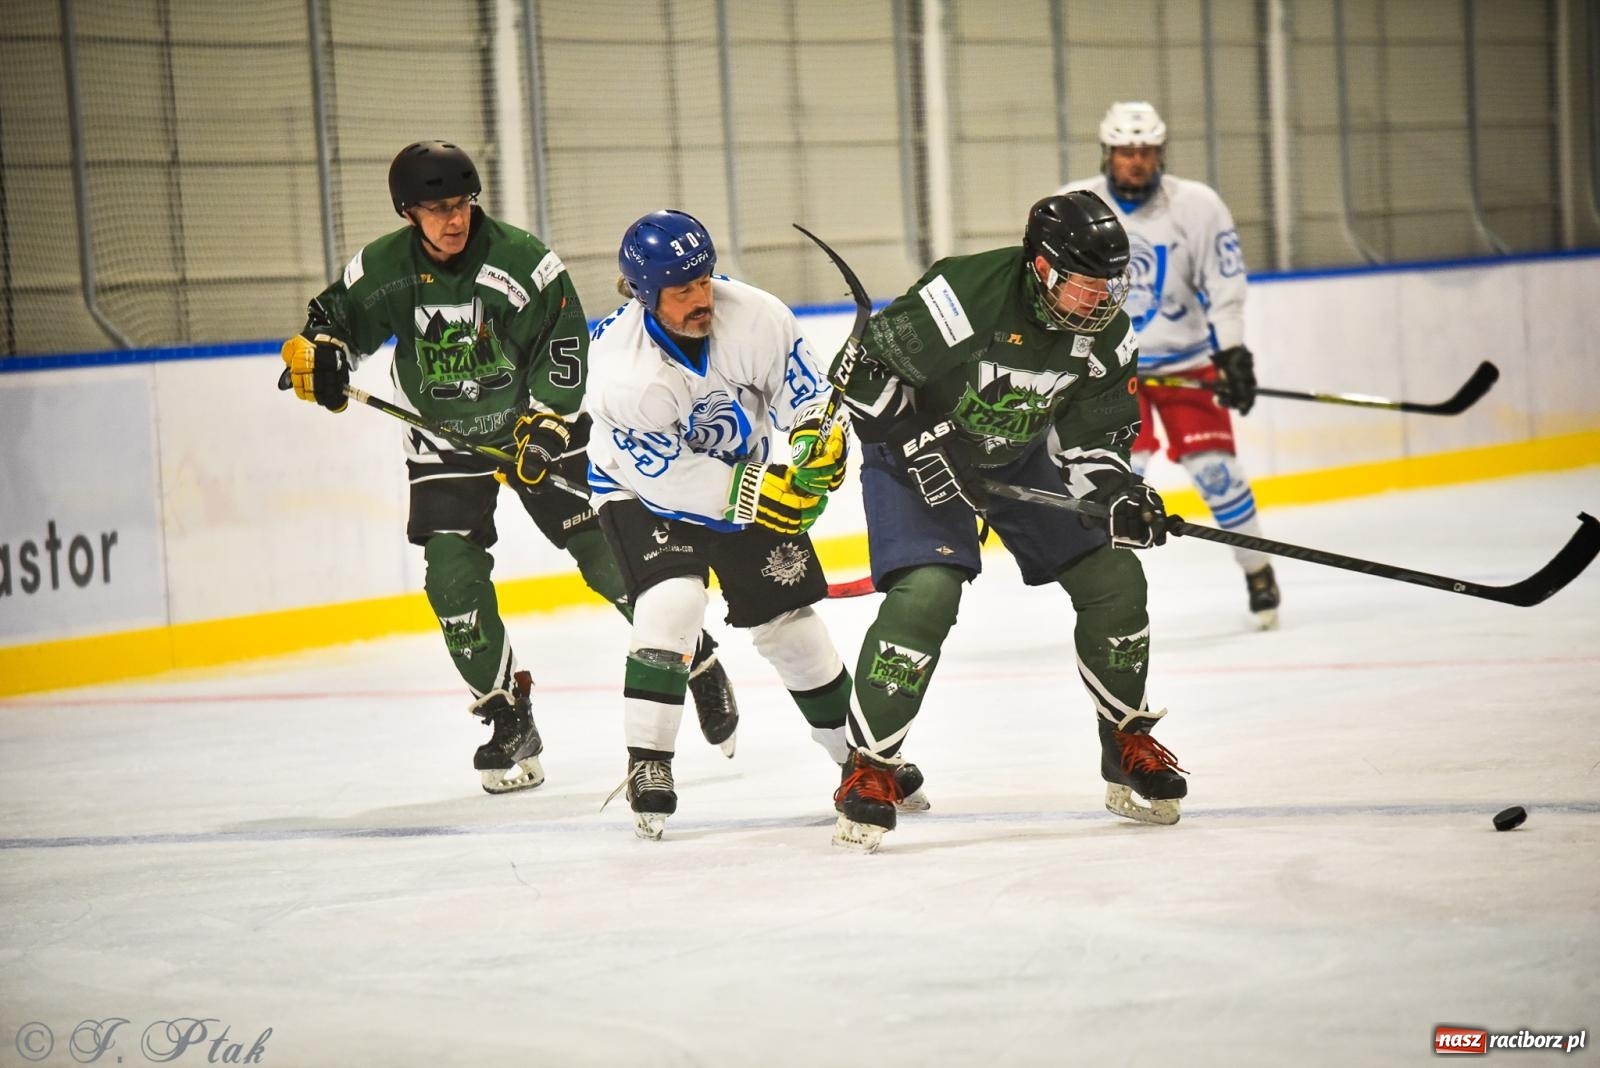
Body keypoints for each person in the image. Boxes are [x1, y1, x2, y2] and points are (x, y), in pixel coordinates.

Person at [279, 141, 736, 796]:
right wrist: (320, 352)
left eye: (460, 203)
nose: (453, 219)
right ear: (409, 213)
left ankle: (696, 654)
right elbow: (335, 320)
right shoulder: (383, 266)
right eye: (436, 208)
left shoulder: (521, 260)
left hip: (535, 425)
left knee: (606, 554)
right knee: (451, 578)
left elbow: (564, 338)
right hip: (442, 437)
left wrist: (549, 419)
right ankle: (505, 715)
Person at [834, 190, 1186, 852]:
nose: (1098, 300)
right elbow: (860, 369)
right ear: (1043, 268)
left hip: (1014, 458)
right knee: (928, 594)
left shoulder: (1105, 331)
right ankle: (869, 769)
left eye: (1107, 284)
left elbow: (1096, 432)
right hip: (917, 458)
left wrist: (1115, 490)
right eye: (1084, 284)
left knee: (1116, 577)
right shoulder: (966, 293)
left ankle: (1126, 739)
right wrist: (916, 438)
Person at [585, 208, 926, 840]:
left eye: (704, 281)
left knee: (790, 625)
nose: (700, 299)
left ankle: (856, 759)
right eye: (681, 291)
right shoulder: (622, 373)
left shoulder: (759, 317)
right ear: (642, 293)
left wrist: (815, 451)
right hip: (639, 492)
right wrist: (768, 493)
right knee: (673, 603)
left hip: (742, 474)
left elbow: (807, 400)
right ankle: (648, 764)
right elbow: (671, 479)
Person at [1058, 101, 1280, 628]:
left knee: (1217, 475)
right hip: (1109, 373)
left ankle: (1257, 567)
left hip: (1185, 363)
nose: (1136, 161)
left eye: (1146, 151)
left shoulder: (1198, 205)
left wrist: (1232, 354)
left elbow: (1224, 287)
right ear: (1107, 153)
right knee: (1115, 482)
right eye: (1125, 151)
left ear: (1159, 152)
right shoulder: (1077, 203)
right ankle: (1113, 593)